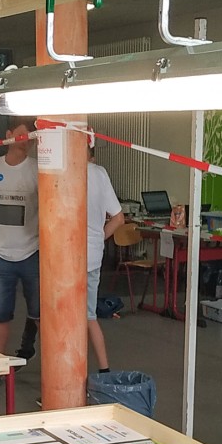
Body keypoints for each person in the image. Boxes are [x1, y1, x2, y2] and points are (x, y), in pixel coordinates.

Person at [0, 120, 40, 362]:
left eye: (31, 137)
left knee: (39, 311)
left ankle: (40, 357)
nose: (26, 141)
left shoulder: (38, 169)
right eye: (22, 135)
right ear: (8, 135)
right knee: (0, 313)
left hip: (32, 253)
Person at [87, 142, 123, 373]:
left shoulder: (60, 171)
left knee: (60, 318)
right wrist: (97, 239)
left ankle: (63, 378)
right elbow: (118, 218)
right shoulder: (99, 173)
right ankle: (104, 370)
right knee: (89, 315)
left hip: (64, 259)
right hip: (92, 256)